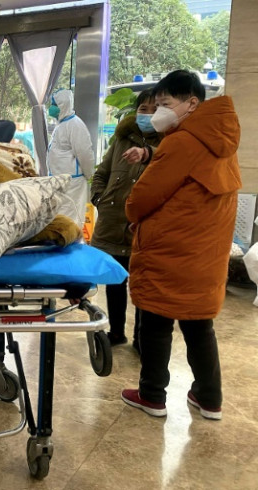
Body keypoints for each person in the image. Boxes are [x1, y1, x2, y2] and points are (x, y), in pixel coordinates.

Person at [121, 70, 241, 420]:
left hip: (171, 249)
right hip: (205, 251)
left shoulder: (183, 141)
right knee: (199, 325)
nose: (158, 112)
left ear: (192, 103)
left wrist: (132, 213)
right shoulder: (221, 139)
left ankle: (152, 395)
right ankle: (209, 397)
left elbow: (144, 196)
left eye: (165, 104)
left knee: (156, 321)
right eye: (156, 105)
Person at [90, 90, 162, 352]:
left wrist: (147, 152)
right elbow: (102, 173)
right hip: (112, 221)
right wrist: (99, 198)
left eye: (156, 109)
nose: (148, 114)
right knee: (115, 282)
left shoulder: (169, 142)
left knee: (142, 286)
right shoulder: (121, 139)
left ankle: (141, 339)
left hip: (143, 227)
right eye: (144, 108)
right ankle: (116, 332)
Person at [46, 89, 95, 226]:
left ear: (64, 105)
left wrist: (89, 175)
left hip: (72, 184)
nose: (52, 107)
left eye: (55, 104)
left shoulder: (75, 125)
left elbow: (85, 154)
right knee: (61, 217)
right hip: (60, 182)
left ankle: (71, 244)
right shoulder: (61, 125)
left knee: (71, 219)